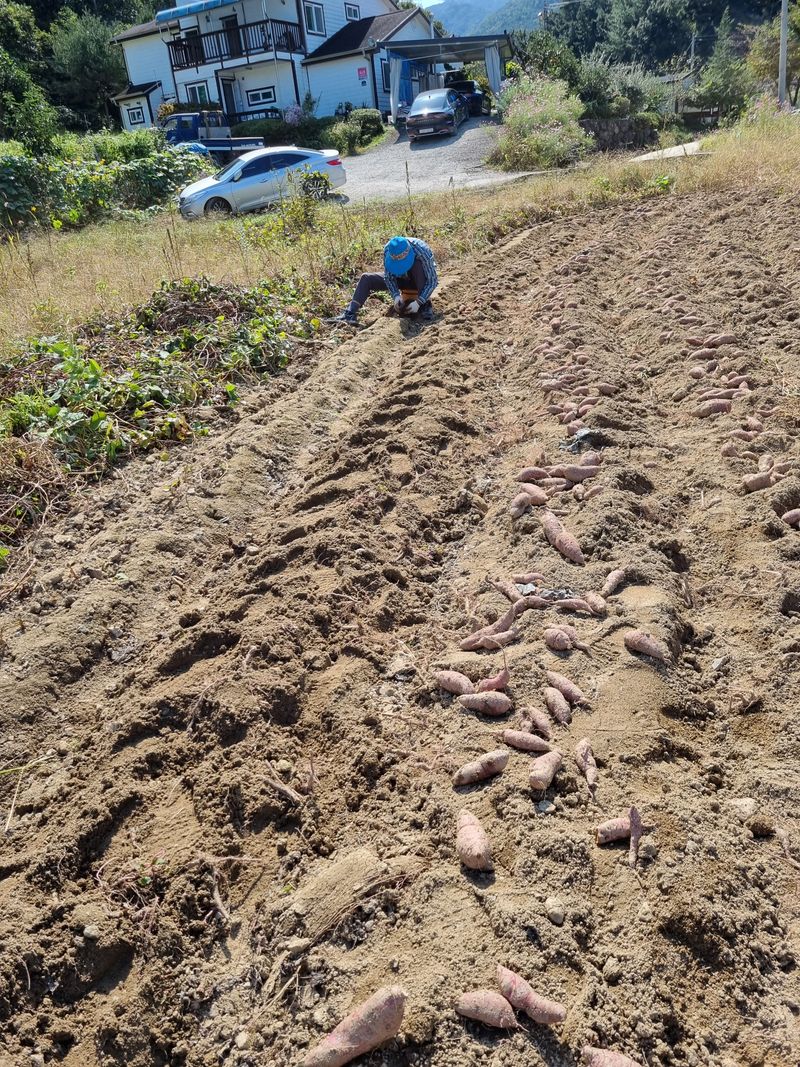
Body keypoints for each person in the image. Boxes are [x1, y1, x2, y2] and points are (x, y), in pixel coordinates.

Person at [327, 235, 438, 326]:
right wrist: (395, 296)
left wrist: (419, 302)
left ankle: (425, 306)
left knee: (418, 265)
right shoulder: (388, 250)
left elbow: (432, 280)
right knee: (366, 278)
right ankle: (350, 313)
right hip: (401, 278)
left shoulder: (422, 250)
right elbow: (389, 277)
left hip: (419, 279)